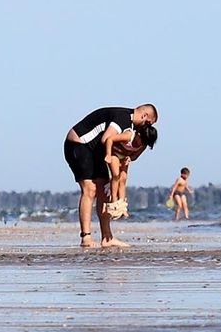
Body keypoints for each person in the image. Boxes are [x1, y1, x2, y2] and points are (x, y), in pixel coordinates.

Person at [63, 104, 159, 247]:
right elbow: (106, 139)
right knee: (90, 189)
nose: (147, 127)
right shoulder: (123, 119)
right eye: (148, 123)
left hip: (96, 151)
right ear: (144, 116)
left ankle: (107, 238)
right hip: (79, 145)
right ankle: (86, 237)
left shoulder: (131, 126)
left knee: (104, 189)